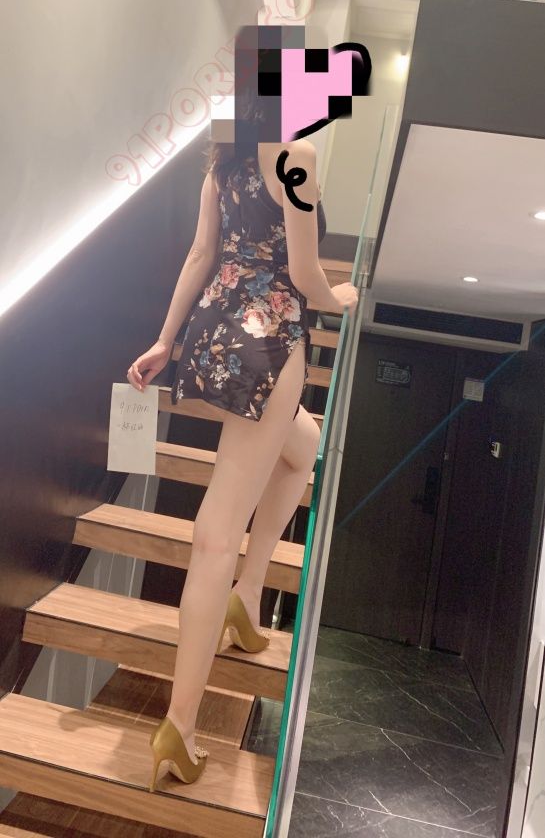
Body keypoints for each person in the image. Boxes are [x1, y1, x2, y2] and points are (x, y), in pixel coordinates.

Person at [127, 135, 358, 790]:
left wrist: (166, 341)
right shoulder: (296, 158)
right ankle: (180, 723)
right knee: (216, 534)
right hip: (269, 342)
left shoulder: (223, 158)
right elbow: (305, 275)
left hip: (214, 333)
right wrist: (339, 297)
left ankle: (248, 596)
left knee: (303, 446)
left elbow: (201, 253)